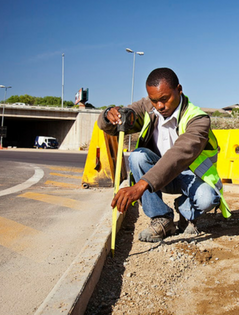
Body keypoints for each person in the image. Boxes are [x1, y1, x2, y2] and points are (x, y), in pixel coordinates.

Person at [98, 67, 230, 242]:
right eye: (154, 101)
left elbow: (178, 155)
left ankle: (186, 211)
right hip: (161, 177)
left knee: (207, 198)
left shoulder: (198, 119)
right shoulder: (148, 107)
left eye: (164, 99)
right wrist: (109, 116)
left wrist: (141, 185)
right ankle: (162, 219)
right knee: (137, 156)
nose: (160, 106)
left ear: (179, 89)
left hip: (191, 176)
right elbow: (120, 121)